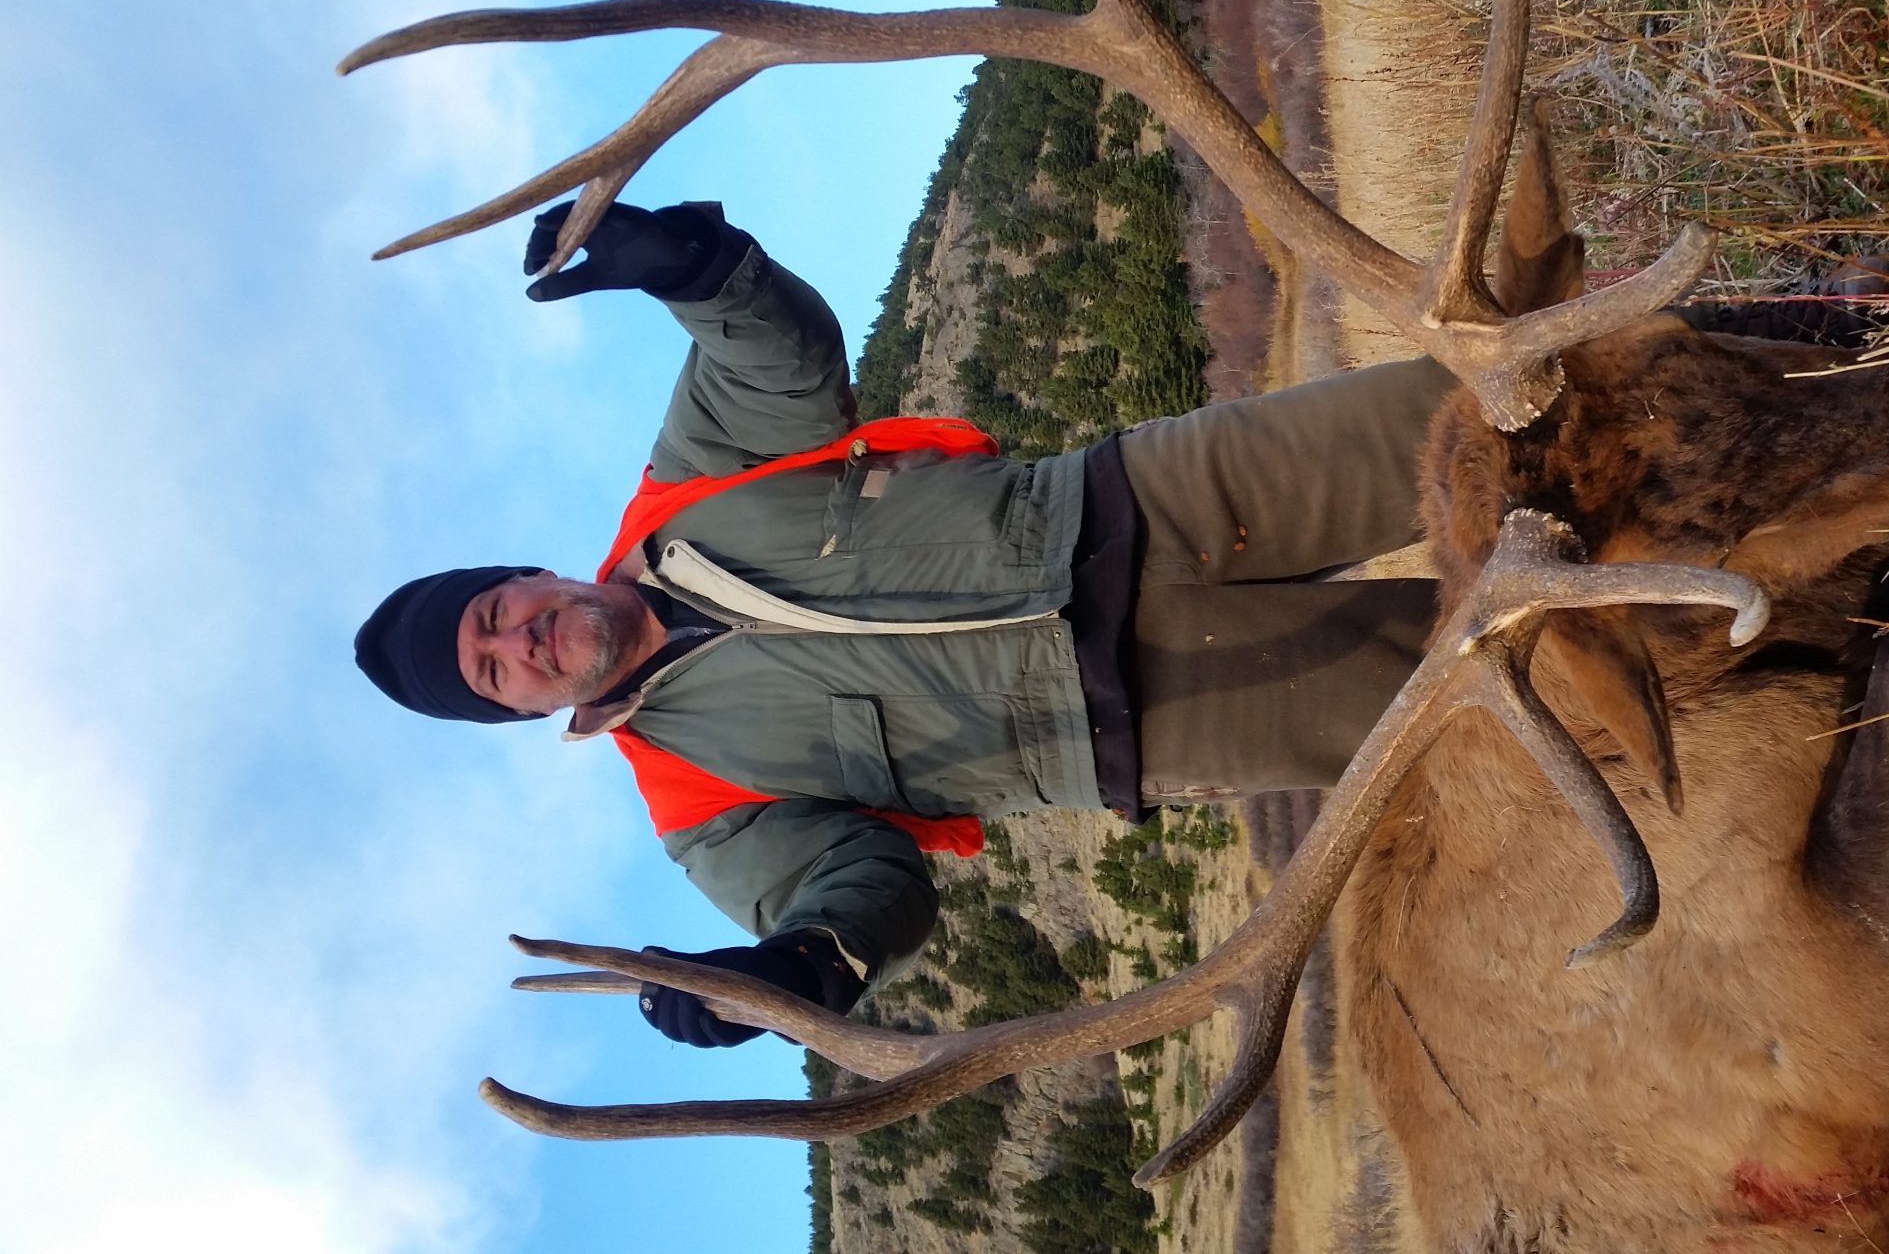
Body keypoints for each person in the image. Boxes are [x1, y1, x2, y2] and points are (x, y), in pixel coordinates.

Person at [355, 200, 1451, 1047]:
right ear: (527, 713)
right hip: (1160, 712)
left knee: (1486, 416)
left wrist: (694, 269)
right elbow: (859, 888)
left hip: (1147, 502)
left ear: (532, 575)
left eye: (494, 614)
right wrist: (797, 970)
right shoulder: (701, 809)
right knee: (1505, 685)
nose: (517, 643)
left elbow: (773, 362)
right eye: (494, 672)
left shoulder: (687, 487)